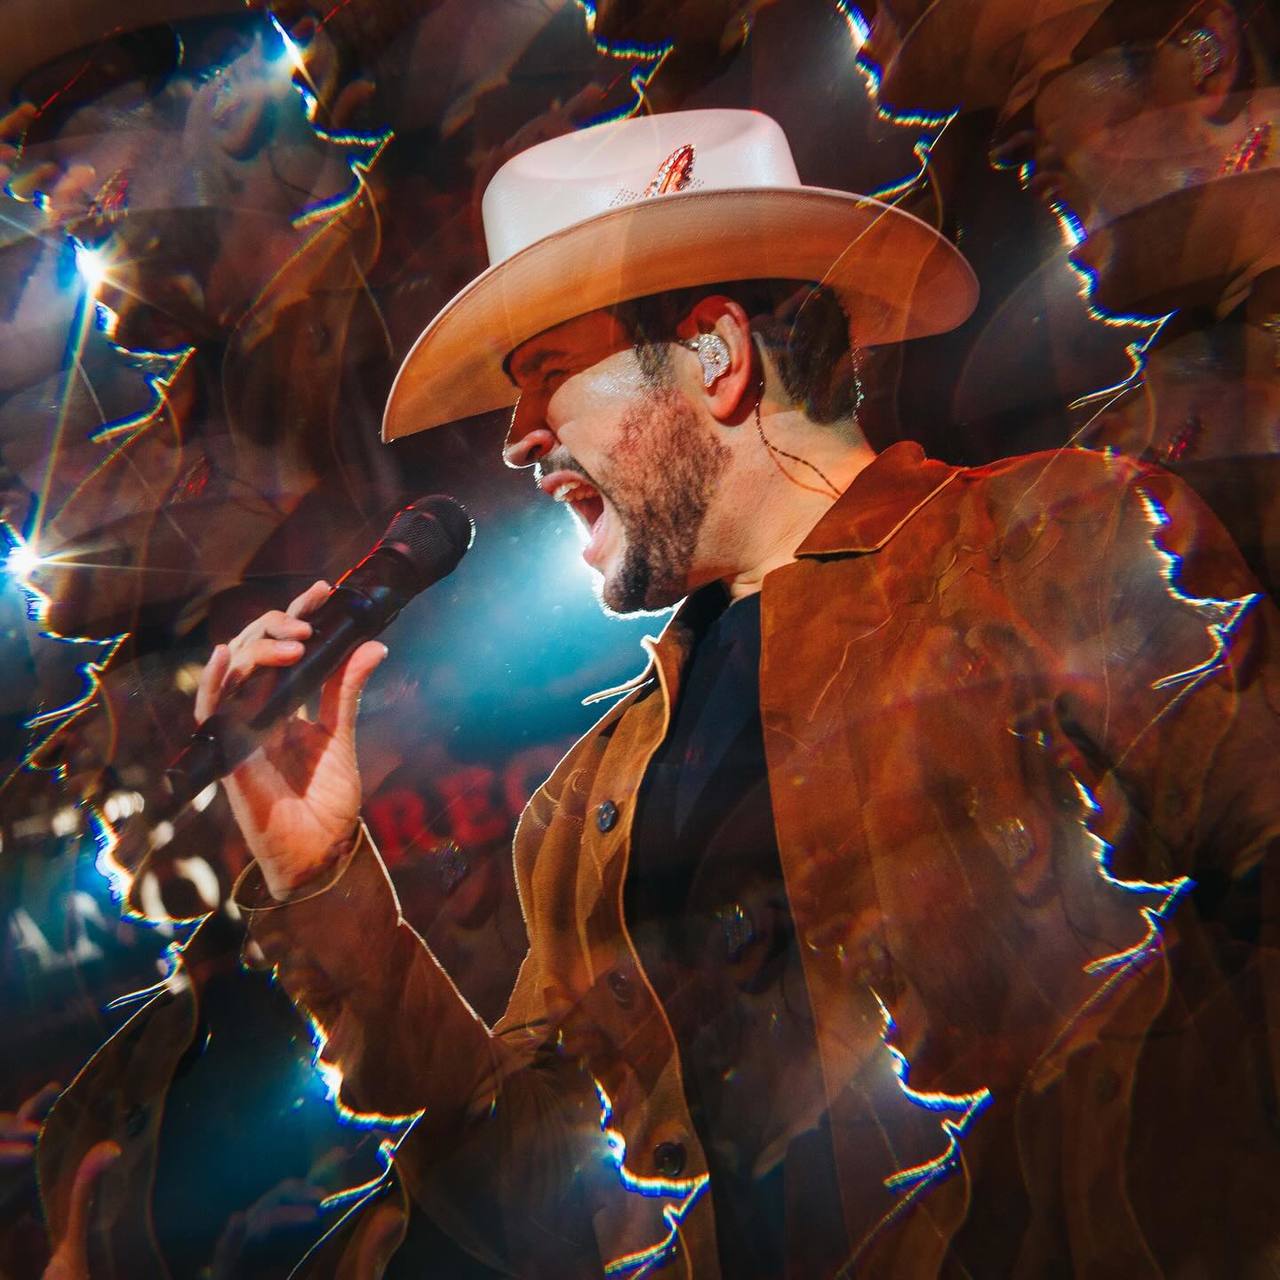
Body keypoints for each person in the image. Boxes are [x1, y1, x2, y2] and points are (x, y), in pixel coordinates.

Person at [58, 107, 1280, 1275]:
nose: (515, 434)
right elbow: (529, 1188)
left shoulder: (1057, 545)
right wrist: (325, 877)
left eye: (547, 371)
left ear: (714, 355)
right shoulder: (580, 807)